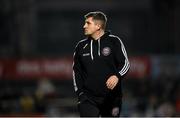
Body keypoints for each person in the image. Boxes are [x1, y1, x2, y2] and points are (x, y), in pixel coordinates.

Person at [73, 11, 130, 117]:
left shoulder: (114, 41)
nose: (84, 26)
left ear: (98, 26)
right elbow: (76, 72)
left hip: (112, 98)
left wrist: (117, 76)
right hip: (87, 98)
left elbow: (125, 64)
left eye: (88, 23)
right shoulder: (80, 46)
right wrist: (80, 93)